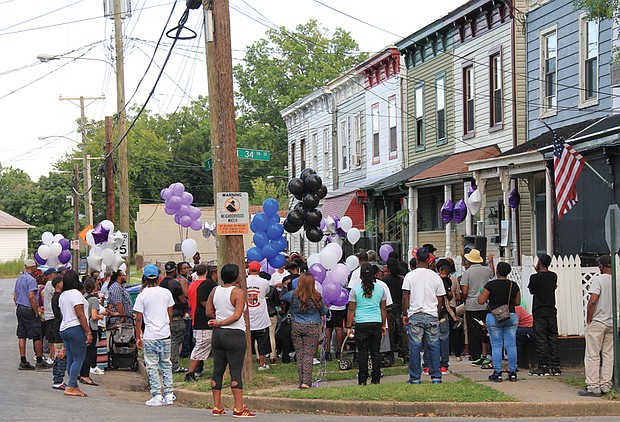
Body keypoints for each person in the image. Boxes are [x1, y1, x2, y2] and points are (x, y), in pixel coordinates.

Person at [206, 263, 256, 418]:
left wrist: (217, 321)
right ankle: (238, 408)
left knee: (218, 369)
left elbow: (208, 311)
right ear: (236, 277)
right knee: (235, 371)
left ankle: (217, 406)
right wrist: (222, 322)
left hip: (218, 335)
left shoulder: (215, 290)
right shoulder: (238, 293)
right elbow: (236, 315)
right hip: (235, 334)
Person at [402, 248, 446, 385]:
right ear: (429, 260)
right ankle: (436, 376)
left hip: (415, 314)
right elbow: (440, 299)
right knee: (433, 345)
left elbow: (405, 296)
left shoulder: (410, 276)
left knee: (415, 346)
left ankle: (415, 377)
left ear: (416, 259)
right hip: (432, 314)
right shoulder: (435, 276)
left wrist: (405, 313)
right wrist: (437, 314)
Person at [134, 264, 176, 406]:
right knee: (166, 364)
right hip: (164, 333)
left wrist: (138, 336)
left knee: (152, 365)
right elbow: (170, 313)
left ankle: (157, 395)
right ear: (158, 277)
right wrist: (167, 325)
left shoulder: (142, 295)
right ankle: (169, 394)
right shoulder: (166, 293)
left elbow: (138, 318)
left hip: (150, 335)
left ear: (145, 278)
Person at [281, 273, 327, 388]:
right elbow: (323, 311)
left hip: (297, 325)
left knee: (300, 354)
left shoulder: (293, 295)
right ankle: (306, 382)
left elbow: (283, 296)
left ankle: (301, 380)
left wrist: (284, 287)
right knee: (308, 355)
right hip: (312, 326)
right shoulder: (317, 296)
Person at [579, 255, 615, 396]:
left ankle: (593, 386)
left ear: (601, 266)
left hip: (598, 321)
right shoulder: (618, 279)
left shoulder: (598, 280)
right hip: (613, 322)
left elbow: (593, 301)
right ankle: (606, 384)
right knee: (608, 354)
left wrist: (589, 319)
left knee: (593, 354)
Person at [478, 262, 520, 382]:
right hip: (510, 315)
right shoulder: (513, 285)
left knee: (496, 345)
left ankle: (498, 372)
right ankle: (512, 372)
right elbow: (517, 302)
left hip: (494, 317)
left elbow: (481, 301)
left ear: (497, 271)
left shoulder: (490, 285)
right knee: (511, 345)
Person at [346, 263, 386, 385]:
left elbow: (351, 309)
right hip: (376, 322)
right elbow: (383, 309)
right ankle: (376, 378)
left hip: (361, 324)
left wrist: (349, 326)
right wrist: (383, 325)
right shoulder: (380, 289)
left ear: (360, 275)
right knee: (375, 352)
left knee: (362, 352)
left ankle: (362, 379)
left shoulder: (355, 290)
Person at [59, 270, 92, 397]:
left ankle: (74, 386)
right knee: (79, 358)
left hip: (64, 327)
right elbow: (80, 314)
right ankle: (71, 386)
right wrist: (88, 332)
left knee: (71, 359)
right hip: (75, 328)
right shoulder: (76, 295)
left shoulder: (63, 296)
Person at [528, 253, 561, 376]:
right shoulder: (553, 276)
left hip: (539, 311)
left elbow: (532, 290)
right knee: (553, 338)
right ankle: (556, 366)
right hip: (551, 311)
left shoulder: (534, 278)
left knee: (541, 339)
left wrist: (536, 272)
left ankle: (543, 365)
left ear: (539, 263)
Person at [14, 258, 50, 370]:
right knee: (36, 334)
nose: (36, 268)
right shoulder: (31, 280)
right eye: (35, 266)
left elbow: (15, 296)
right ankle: (39, 360)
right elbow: (31, 296)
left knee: (22, 334)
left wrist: (19, 305)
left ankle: (23, 360)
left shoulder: (19, 279)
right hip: (29, 308)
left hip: (20, 308)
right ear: (31, 267)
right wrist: (35, 311)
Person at [460, 249, 493, 366]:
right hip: (485, 305)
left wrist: (464, 298)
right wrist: (491, 262)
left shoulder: (467, 273)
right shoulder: (487, 270)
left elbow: (464, 290)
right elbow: (492, 275)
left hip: (472, 305)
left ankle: (475, 355)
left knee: (473, 331)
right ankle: (486, 354)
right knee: (485, 330)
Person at [185, 264, 218, 382]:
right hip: (203, 321)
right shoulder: (208, 285)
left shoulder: (192, 285)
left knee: (203, 346)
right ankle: (190, 373)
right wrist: (213, 312)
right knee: (201, 346)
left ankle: (197, 370)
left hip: (196, 319)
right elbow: (203, 300)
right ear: (213, 273)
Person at [160, 261, 188, 373]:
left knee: (168, 341)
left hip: (164, 317)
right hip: (176, 316)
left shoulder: (161, 284)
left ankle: (166, 364)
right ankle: (174, 365)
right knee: (176, 342)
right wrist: (186, 305)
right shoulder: (175, 284)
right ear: (175, 270)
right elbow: (182, 299)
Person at [78, 277, 105, 386]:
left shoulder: (82, 298)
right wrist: (101, 316)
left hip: (83, 327)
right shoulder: (94, 300)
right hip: (92, 328)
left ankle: (79, 373)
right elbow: (94, 316)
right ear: (94, 287)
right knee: (90, 353)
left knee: (82, 352)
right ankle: (85, 376)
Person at [246, 261, 272, 370]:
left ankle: (247, 363)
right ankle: (261, 363)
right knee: (263, 342)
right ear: (259, 270)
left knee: (247, 343)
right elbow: (266, 292)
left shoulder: (244, 281)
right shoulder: (264, 282)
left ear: (248, 269)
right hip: (261, 315)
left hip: (248, 315)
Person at [383, 258, 407, 362]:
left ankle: (391, 352)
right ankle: (404, 351)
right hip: (399, 308)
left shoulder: (384, 281)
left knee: (390, 332)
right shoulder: (401, 280)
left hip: (388, 309)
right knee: (400, 331)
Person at [50, 276, 68, 390]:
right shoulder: (59, 297)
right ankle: (58, 379)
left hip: (56, 326)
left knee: (58, 353)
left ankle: (56, 377)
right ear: (58, 284)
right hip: (59, 325)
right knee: (61, 354)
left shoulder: (54, 297)